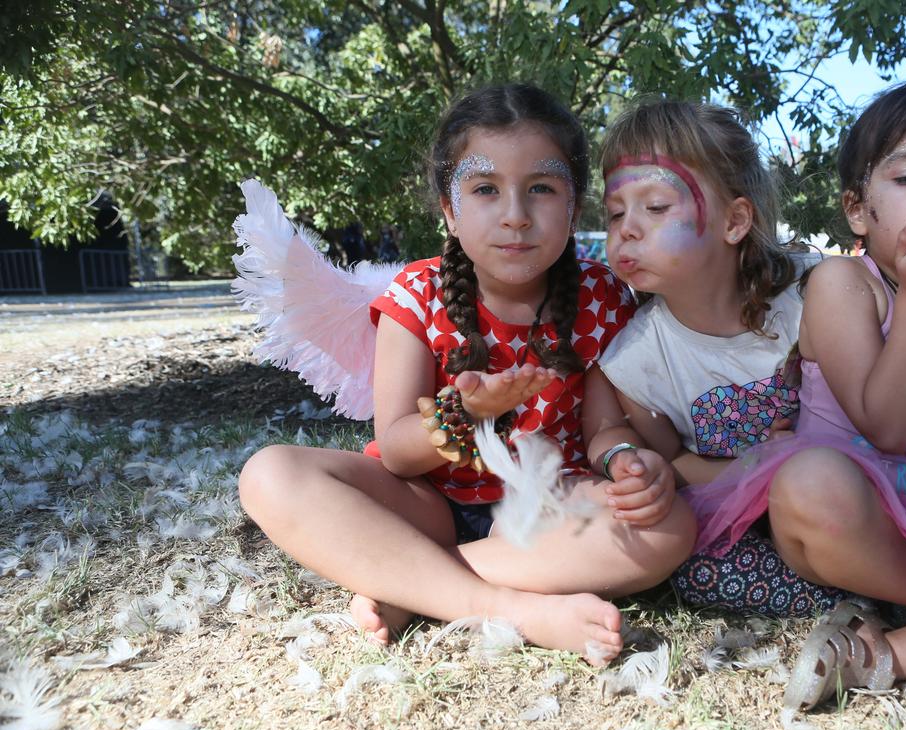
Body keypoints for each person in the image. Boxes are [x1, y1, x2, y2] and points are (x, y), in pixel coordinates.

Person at [238, 83, 696, 666]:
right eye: (485, 189)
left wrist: (624, 461)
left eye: (541, 189)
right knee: (268, 474)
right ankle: (511, 607)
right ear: (450, 210)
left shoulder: (604, 294)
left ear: (574, 203)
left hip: (549, 508)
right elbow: (400, 454)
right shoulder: (417, 294)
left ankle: (410, 580)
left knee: (670, 526)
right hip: (427, 502)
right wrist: (465, 412)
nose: (515, 215)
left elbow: (605, 427)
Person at [593, 98, 906, 619]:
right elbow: (669, 463)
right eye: (614, 214)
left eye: (656, 208)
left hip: (894, 497)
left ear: (736, 220)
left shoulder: (815, 286)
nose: (627, 229)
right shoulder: (636, 359)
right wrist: (754, 467)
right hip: (784, 514)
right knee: (704, 568)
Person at [684, 78, 906, 709]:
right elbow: (887, 426)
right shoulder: (844, 284)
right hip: (847, 521)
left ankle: (883, 654)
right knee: (810, 482)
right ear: (858, 211)